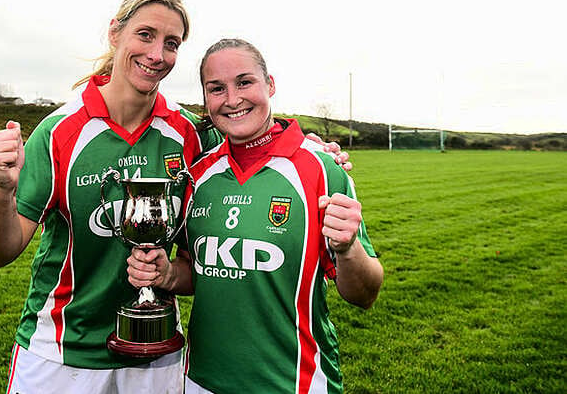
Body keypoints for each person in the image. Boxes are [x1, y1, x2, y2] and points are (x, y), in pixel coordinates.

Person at [0, 0, 350, 393]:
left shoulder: (187, 134)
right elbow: (1, 252)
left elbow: (249, 142)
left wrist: (312, 146)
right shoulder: (59, 132)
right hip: (60, 351)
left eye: (171, 43)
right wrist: (2, 192)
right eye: (145, 35)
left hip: (158, 352)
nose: (157, 55)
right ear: (114, 33)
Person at [127, 38, 384, 394]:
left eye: (244, 82)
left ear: (270, 85)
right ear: (206, 99)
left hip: (294, 384)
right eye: (217, 89)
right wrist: (168, 274)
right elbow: (195, 273)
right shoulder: (198, 175)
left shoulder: (322, 170)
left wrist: (347, 248)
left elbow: (364, 294)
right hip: (200, 382)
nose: (232, 100)